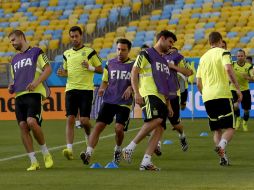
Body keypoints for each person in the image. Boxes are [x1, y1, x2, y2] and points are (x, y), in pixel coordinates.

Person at [122, 30, 175, 171]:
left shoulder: (164, 61)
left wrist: (168, 104)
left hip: (161, 97)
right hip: (149, 94)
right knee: (156, 120)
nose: (171, 45)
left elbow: (165, 84)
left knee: (160, 129)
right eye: (170, 42)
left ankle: (146, 161)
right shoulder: (145, 54)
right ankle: (129, 147)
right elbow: (134, 72)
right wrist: (137, 93)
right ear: (162, 39)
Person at [80, 38, 134, 165]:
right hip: (109, 100)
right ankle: (88, 153)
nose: (120, 52)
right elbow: (105, 80)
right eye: (118, 49)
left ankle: (118, 149)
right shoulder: (109, 63)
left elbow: (138, 81)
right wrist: (102, 89)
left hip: (124, 102)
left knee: (119, 129)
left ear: (129, 51)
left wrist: (131, 87)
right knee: (98, 126)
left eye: (123, 50)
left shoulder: (133, 65)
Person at [8, 30, 53, 171]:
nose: (12, 43)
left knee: (31, 122)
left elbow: (48, 69)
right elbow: (14, 80)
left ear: (22, 37)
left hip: (33, 93)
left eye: (14, 40)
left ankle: (46, 154)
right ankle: (33, 161)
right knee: (23, 126)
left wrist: (36, 82)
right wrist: (11, 86)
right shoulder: (13, 60)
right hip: (19, 96)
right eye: (11, 41)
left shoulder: (36, 52)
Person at [196, 31, 242, 166]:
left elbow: (198, 82)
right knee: (231, 127)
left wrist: (204, 94)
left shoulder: (202, 58)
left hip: (207, 97)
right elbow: (228, 69)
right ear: (220, 41)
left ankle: (222, 158)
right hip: (222, 94)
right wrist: (237, 88)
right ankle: (221, 146)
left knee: (217, 129)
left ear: (209, 42)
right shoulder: (223, 52)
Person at [57, 26, 103, 160]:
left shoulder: (89, 52)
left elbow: (101, 69)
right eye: (72, 36)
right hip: (70, 89)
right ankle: (69, 149)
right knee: (70, 118)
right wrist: (62, 73)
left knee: (84, 120)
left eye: (76, 36)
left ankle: (89, 134)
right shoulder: (66, 54)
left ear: (81, 36)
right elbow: (67, 71)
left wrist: (90, 67)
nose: (74, 39)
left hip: (86, 90)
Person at [162, 47, 193, 152]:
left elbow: (189, 72)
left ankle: (182, 135)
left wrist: (173, 67)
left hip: (174, 93)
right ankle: (156, 145)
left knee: (175, 123)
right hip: (159, 93)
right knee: (157, 120)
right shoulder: (158, 57)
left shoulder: (178, 58)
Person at [230, 50, 254, 131]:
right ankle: (238, 119)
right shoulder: (232, 64)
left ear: (245, 56)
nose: (240, 57)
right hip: (234, 88)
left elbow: (253, 78)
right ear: (236, 57)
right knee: (235, 105)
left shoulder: (249, 66)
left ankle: (244, 123)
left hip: (245, 89)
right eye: (238, 56)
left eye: (241, 56)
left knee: (246, 110)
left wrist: (248, 77)